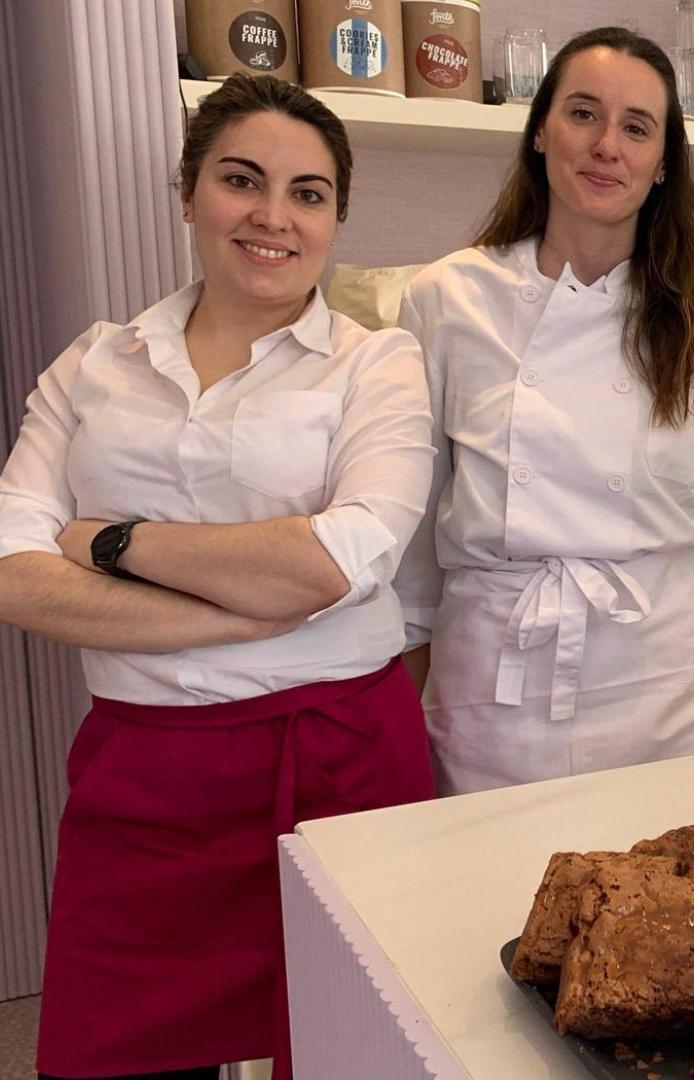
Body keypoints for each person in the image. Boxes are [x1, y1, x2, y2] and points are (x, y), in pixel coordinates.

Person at [0, 75, 437, 1079]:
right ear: (190, 191)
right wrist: (244, 609)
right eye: (243, 180)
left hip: (339, 767)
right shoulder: (94, 366)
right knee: (106, 1059)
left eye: (310, 192)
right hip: (143, 780)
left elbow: (333, 561)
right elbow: (12, 575)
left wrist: (109, 541)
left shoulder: (378, 365)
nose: (274, 216)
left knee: (354, 1056)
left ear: (335, 216)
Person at [395, 28, 694, 794]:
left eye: (636, 127)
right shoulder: (446, 300)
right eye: (584, 114)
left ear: (660, 165)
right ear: (542, 130)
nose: (606, 145)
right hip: (497, 696)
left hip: (679, 686)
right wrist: (409, 676)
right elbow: (413, 526)